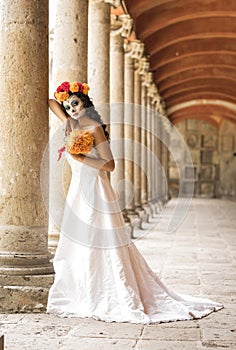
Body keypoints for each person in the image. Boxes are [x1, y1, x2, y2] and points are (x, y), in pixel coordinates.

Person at [46, 81, 223, 324]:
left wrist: (81, 156)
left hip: (96, 189)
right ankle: (82, 290)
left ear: (85, 103)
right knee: (78, 240)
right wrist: (66, 119)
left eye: (75, 103)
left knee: (100, 239)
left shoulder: (95, 128)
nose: (72, 109)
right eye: (68, 106)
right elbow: (50, 101)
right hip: (78, 191)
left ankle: (103, 290)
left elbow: (109, 165)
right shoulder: (72, 124)